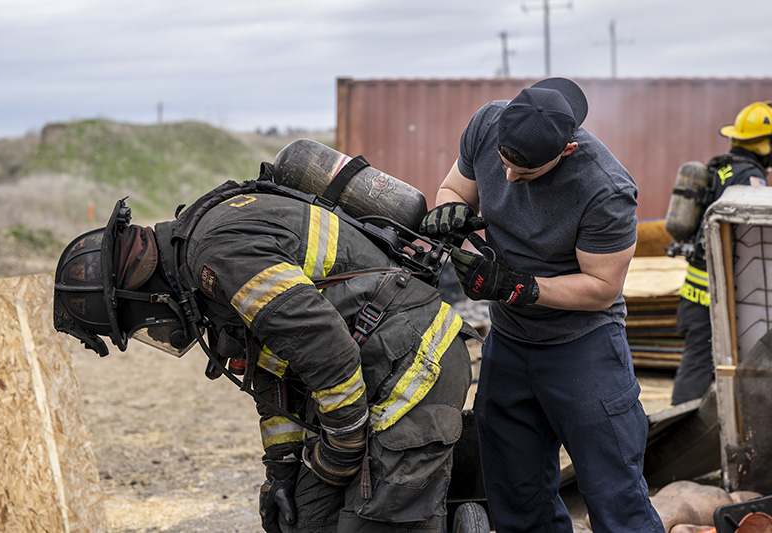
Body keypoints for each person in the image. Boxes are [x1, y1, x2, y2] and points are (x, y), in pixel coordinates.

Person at [54, 178, 476, 532]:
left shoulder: (219, 255)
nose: (156, 333)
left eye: (140, 326)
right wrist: (282, 472)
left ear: (144, 293)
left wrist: (343, 446)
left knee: (369, 524)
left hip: (413, 366)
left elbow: (326, 350)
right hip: (365, 374)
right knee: (305, 521)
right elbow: (273, 370)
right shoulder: (196, 271)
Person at [419, 77, 665, 532]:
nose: (510, 179)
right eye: (504, 164)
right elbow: (454, 188)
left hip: (583, 347)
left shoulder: (605, 188)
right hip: (509, 342)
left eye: (526, 173)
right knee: (517, 495)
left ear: (566, 150)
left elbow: (602, 287)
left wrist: (520, 287)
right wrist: (450, 210)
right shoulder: (487, 122)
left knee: (615, 495)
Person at [670, 101, 771, 406]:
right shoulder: (750, 178)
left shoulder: (720, 168)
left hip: (695, 292)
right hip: (720, 297)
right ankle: (686, 430)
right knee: (714, 366)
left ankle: (688, 421)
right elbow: (752, 239)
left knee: (697, 363)